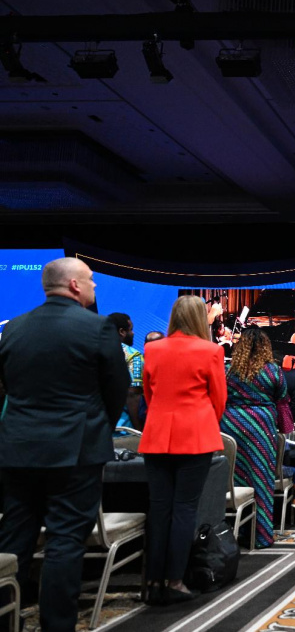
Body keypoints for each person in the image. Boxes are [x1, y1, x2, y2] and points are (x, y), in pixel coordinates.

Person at [0, 257, 129, 631]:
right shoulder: (98, 327)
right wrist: (98, 428)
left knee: (14, 541)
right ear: (74, 285)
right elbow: (117, 388)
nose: (94, 286)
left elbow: (6, 385)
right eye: (91, 280)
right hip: (75, 451)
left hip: (18, 448)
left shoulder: (14, 328)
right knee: (65, 541)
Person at [138, 295, 226, 605]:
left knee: (159, 508)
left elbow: (148, 394)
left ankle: (153, 581)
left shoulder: (153, 349)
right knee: (185, 509)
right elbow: (219, 400)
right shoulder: (211, 350)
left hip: (157, 436)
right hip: (196, 436)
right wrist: (204, 422)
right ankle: (175, 581)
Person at [220, 328, 288, 549]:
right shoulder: (273, 371)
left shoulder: (228, 371)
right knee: (261, 476)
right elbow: (282, 399)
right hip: (261, 425)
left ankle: (229, 534)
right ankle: (261, 536)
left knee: (233, 475)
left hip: (231, 423)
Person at [108, 312, 144, 432]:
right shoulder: (133, 356)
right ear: (122, 332)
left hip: (97, 427)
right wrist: (138, 429)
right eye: (131, 329)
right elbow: (133, 394)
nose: (133, 333)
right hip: (124, 428)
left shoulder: (91, 351)